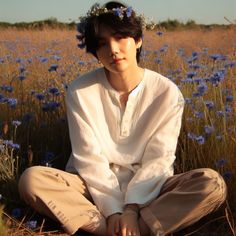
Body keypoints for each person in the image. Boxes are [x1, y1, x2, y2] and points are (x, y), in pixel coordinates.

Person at [18, 1, 227, 236]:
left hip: (151, 189)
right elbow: (88, 158)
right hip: (91, 187)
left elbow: (159, 159)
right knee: (31, 180)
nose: (113, 50)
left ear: (138, 40)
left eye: (119, 38)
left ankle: (133, 228)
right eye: (102, 44)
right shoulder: (80, 90)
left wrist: (131, 208)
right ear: (95, 53)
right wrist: (114, 211)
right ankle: (116, 229)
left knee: (212, 184)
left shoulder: (166, 92)